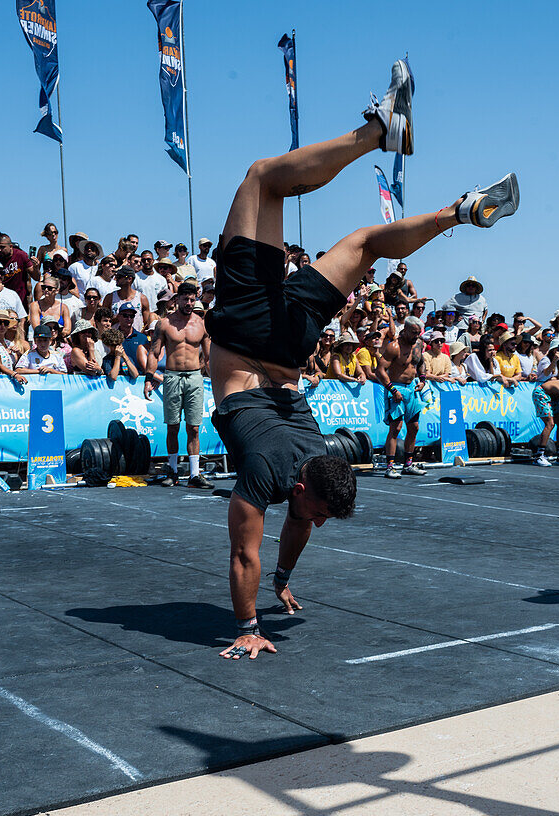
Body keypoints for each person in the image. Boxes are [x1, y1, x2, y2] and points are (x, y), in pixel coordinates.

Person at [204, 57, 519, 657]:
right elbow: (248, 548)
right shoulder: (278, 474)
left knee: (363, 241)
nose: (316, 522)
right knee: (262, 179)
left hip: (284, 344)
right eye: (322, 514)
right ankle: (392, 147)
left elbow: (286, 527)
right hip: (254, 342)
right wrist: (250, 623)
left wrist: (277, 586)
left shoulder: (312, 467)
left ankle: (450, 198)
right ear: (305, 484)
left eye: (321, 517)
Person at [145, 282, 213, 489]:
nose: (189, 303)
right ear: (178, 300)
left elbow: (209, 358)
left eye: (193, 299)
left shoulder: (201, 324)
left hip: (194, 377)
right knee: (173, 426)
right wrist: (149, 378)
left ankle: (194, 474)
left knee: (193, 427)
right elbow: (154, 353)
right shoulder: (164, 324)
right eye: (186, 299)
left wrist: (218, 382)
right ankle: (173, 471)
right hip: (172, 377)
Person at [376, 317, 428, 478]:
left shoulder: (418, 344)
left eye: (418, 333)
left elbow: (420, 363)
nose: (415, 336)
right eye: (413, 332)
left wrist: (422, 379)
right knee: (396, 428)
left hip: (411, 388)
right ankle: (390, 466)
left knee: (414, 427)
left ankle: (408, 464)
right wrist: (392, 389)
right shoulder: (394, 347)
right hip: (396, 387)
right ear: (404, 330)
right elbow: (380, 371)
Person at [0, 233, 39, 308]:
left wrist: (36, 267)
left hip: (20, 302)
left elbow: (37, 278)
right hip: (1, 302)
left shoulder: (21, 256)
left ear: (10, 246)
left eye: (2, 247)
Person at [103, 265, 150, 331]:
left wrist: (139, 336)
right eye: (116, 276)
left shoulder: (142, 299)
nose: (116, 279)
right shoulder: (110, 298)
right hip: (115, 339)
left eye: (119, 277)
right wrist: (119, 318)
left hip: (135, 338)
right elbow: (102, 321)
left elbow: (147, 323)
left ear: (129, 279)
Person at [29, 274, 71, 339]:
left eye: (49, 288)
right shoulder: (35, 305)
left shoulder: (63, 307)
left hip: (59, 342)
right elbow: (37, 328)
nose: (46, 290)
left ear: (57, 290)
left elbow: (67, 329)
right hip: (42, 342)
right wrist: (54, 333)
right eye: (43, 287)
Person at [114, 302, 149, 373]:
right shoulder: (114, 337)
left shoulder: (142, 338)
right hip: (119, 378)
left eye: (132, 316)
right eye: (125, 315)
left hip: (140, 379)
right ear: (119, 317)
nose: (129, 318)